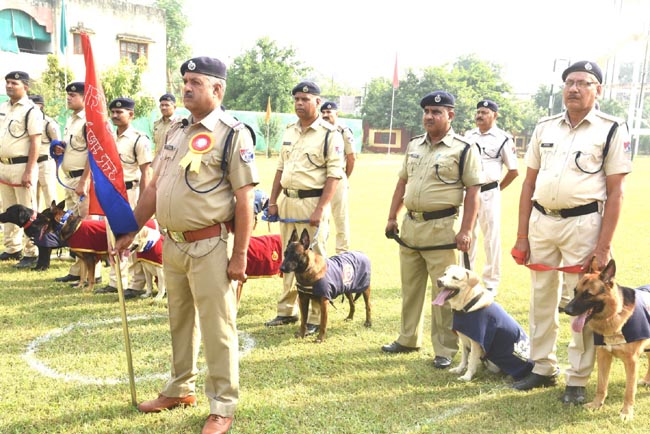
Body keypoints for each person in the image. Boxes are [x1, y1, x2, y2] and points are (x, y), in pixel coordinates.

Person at [112, 56, 258, 434]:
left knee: (218, 328)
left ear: (217, 89)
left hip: (210, 245)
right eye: (184, 81)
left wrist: (240, 255)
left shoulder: (232, 133)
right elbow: (155, 186)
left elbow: (244, 201)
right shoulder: (175, 130)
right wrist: (131, 228)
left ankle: (222, 405)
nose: (187, 87)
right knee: (179, 320)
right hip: (172, 244)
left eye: (196, 81)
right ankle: (180, 388)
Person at [511, 61, 632, 405]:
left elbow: (616, 192)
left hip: (584, 224)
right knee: (541, 297)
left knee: (580, 302)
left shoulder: (610, 129)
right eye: (569, 82)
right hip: (541, 221)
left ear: (598, 90)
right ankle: (541, 366)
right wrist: (522, 235)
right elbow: (529, 183)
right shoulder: (545, 127)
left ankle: (576, 379)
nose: (574, 88)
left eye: (583, 83)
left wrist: (604, 246)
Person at [381, 91, 484, 369]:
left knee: (445, 292)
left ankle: (445, 349)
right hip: (411, 226)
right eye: (426, 111)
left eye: (436, 112)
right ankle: (407, 338)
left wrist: (467, 229)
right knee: (410, 288)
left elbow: (473, 191)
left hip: (442, 230)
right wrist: (392, 216)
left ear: (450, 115)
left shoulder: (463, 149)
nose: (429, 116)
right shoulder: (415, 145)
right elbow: (402, 183)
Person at [264, 81, 344, 334]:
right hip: (288, 201)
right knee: (289, 257)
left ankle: (315, 316)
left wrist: (321, 209)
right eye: (297, 99)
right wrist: (273, 199)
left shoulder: (330, 135)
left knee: (314, 258)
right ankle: (287, 310)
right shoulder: (289, 131)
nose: (300, 103)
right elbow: (280, 168)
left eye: (305, 99)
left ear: (317, 103)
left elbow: (334, 175)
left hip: (313, 202)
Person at [94, 97, 153, 298]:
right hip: (113, 194)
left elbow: (146, 171)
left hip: (132, 192)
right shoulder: (107, 137)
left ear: (131, 114)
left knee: (135, 237)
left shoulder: (139, 138)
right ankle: (115, 280)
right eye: (113, 112)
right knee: (113, 237)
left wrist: (145, 199)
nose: (115, 115)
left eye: (120, 112)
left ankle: (137, 284)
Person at [465, 99, 518, 293]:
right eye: (478, 112)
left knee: (491, 238)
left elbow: (513, 171)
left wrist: (496, 189)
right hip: (469, 192)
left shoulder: (503, 138)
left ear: (495, 115)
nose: (479, 115)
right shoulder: (468, 136)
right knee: (467, 235)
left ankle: (491, 282)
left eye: (484, 112)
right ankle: (466, 276)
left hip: (489, 192)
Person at [52, 82, 102, 284]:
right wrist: (62, 150)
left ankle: (94, 273)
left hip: (83, 179)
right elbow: (77, 147)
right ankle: (77, 270)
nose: (69, 98)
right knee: (73, 226)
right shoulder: (71, 120)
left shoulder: (88, 121)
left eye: (73, 95)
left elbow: (93, 153)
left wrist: (84, 180)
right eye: (68, 95)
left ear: (83, 98)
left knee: (86, 226)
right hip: (70, 178)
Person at [0, 71, 43, 268]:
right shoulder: (3, 108)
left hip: (22, 166)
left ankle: (31, 251)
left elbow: (36, 142)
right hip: (4, 165)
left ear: (25, 86)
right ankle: (12, 248)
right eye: (7, 82)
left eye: (13, 83)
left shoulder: (31, 110)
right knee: (8, 209)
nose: (9, 86)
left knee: (28, 211)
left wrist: (29, 170)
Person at [321, 101, 356, 254]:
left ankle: (342, 253)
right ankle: (320, 250)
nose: (326, 115)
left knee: (340, 217)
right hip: (320, 177)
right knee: (322, 216)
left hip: (338, 177)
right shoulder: (320, 130)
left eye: (329, 112)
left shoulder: (343, 131)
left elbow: (351, 157)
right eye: (323, 112)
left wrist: (344, 177)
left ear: (336, 114)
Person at [28, 95, 59, 215]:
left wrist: (56, 166)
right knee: (32, 198)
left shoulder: (48, 123)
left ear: (41, 106)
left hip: (45, 162)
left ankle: (54, 225)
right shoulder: (27, 121)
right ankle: (35, 226)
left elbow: (58, 145)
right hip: (31, 164)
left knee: (50, 196)